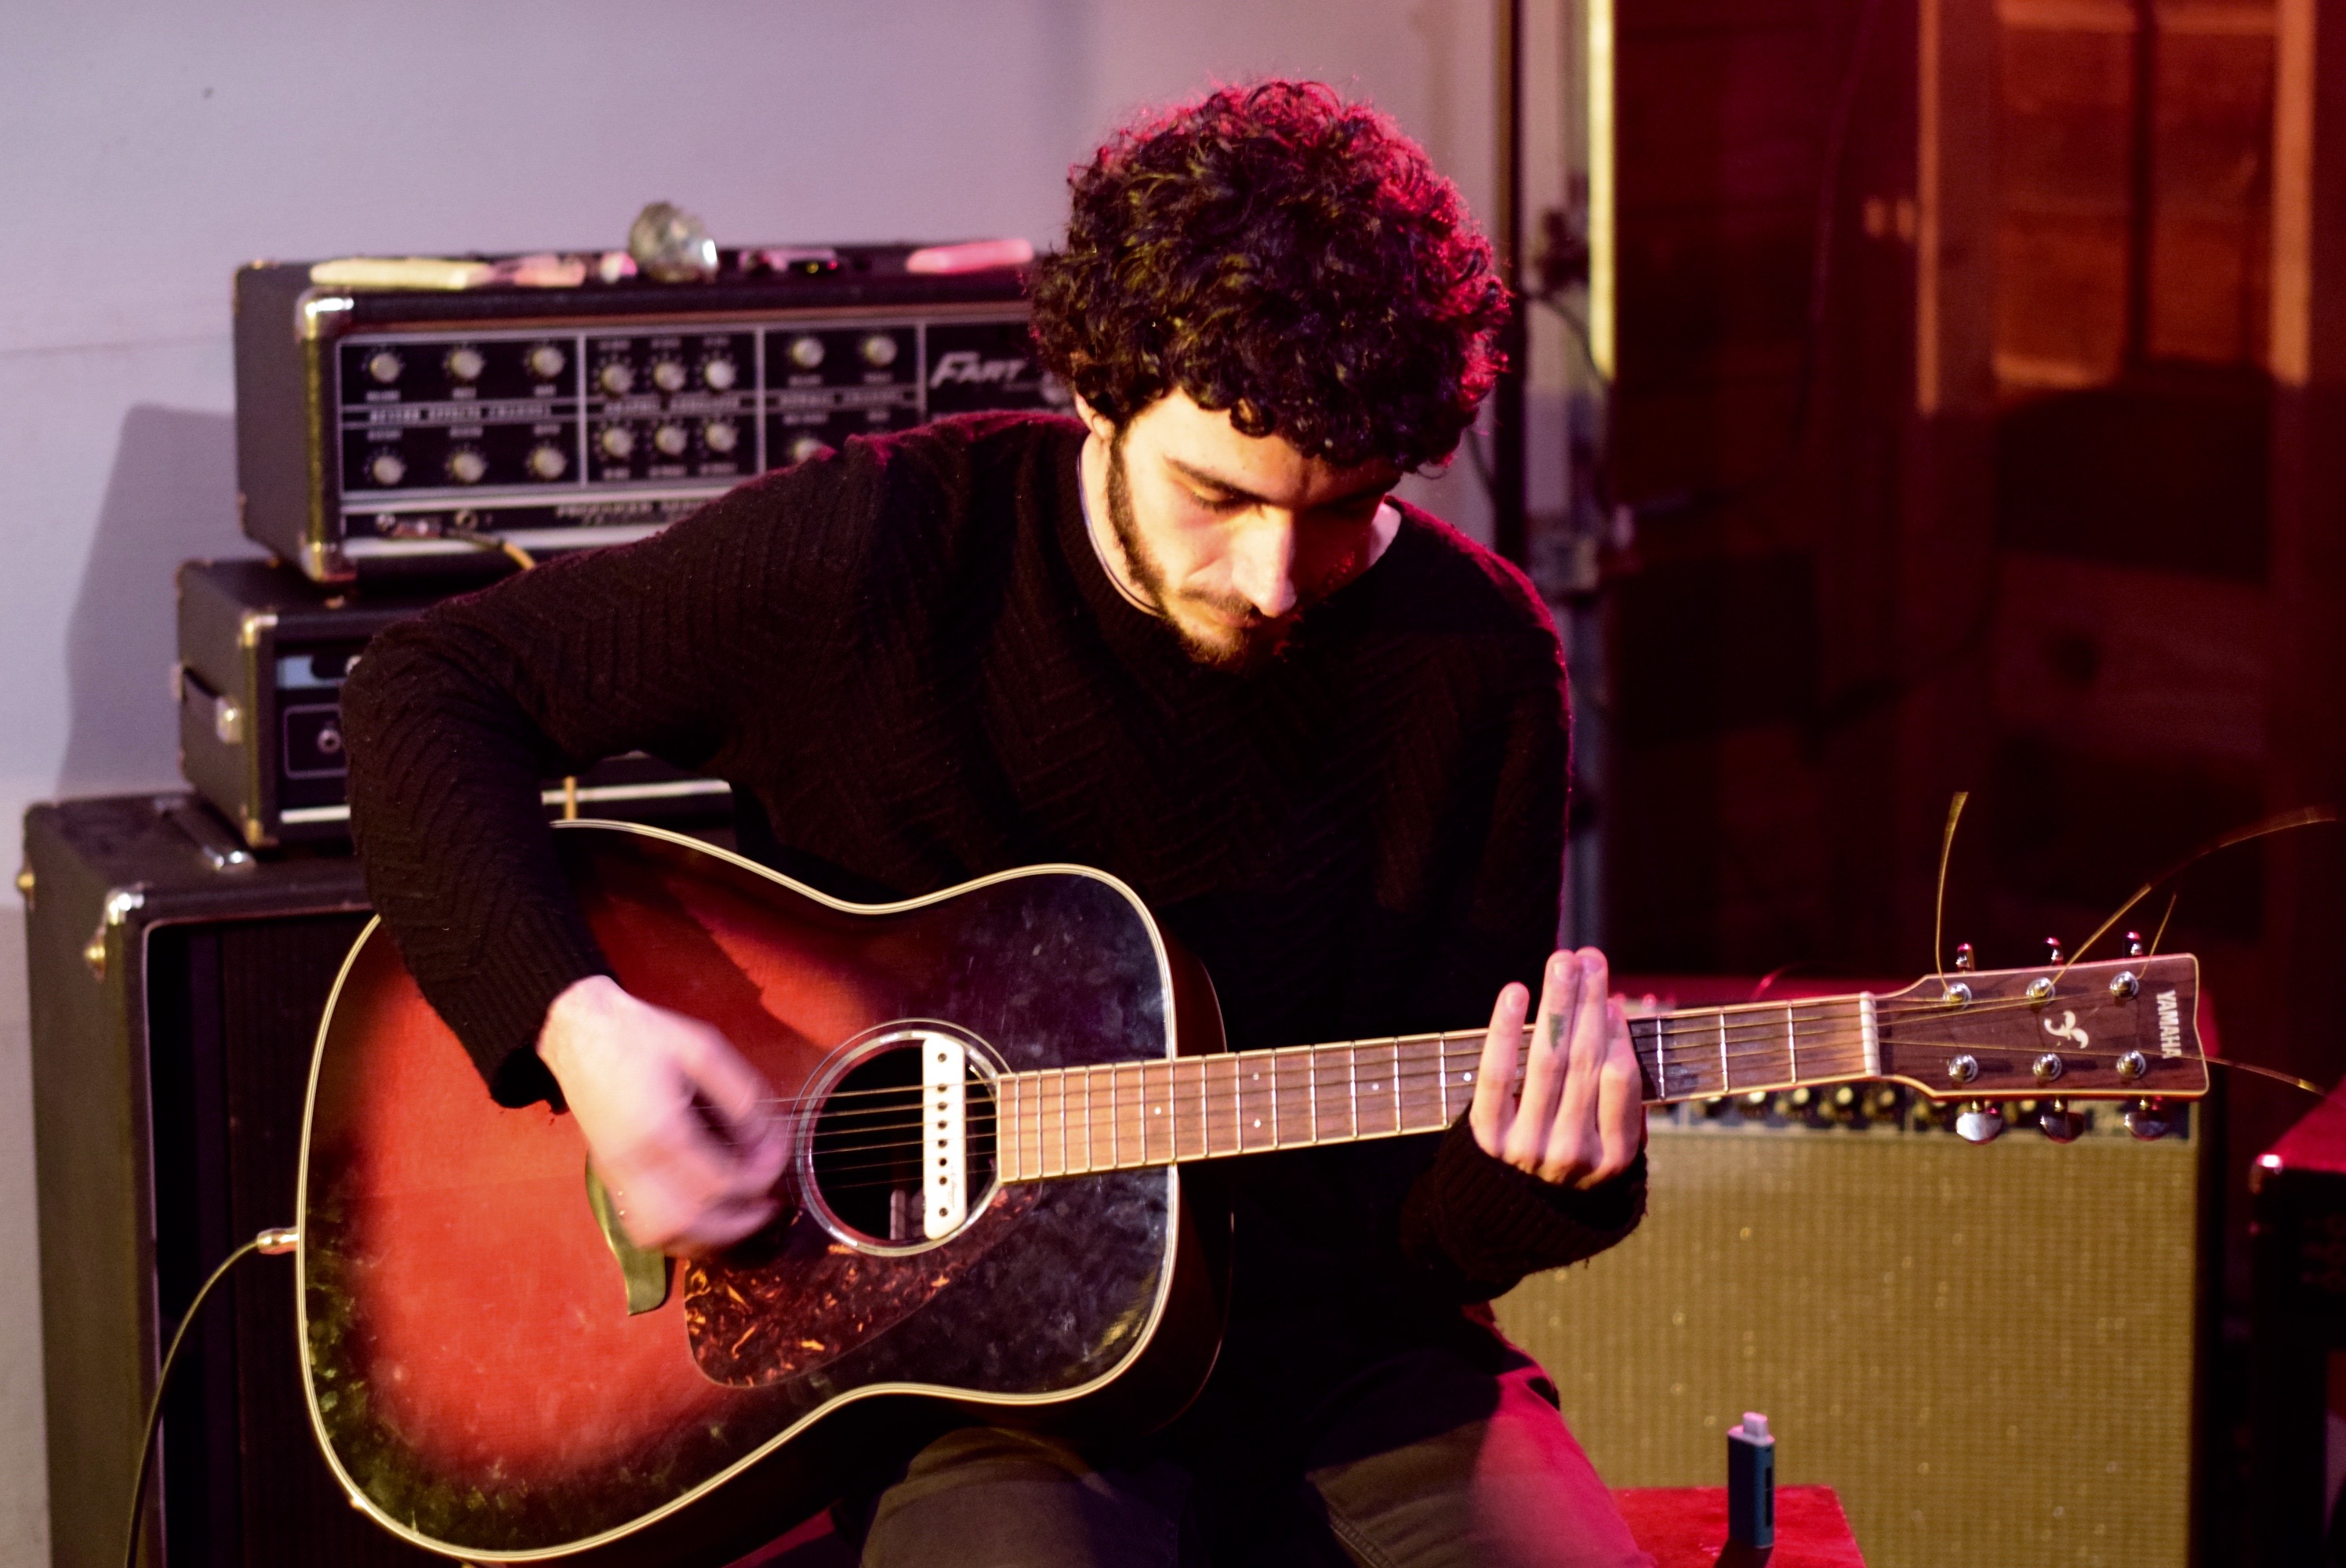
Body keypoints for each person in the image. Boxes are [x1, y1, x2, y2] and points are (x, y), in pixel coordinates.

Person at [343, 79, 1654, 1568]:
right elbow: (424, 692)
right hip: (972, 1384)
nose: (1276, 578)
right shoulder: (888, 549)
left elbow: (1410, 1223)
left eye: (1345, 509)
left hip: (1354, 1364)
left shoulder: (1477, 660)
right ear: (1099, 392)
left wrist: (1540, 1184)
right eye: (1217, 497)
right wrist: (581, 1030)